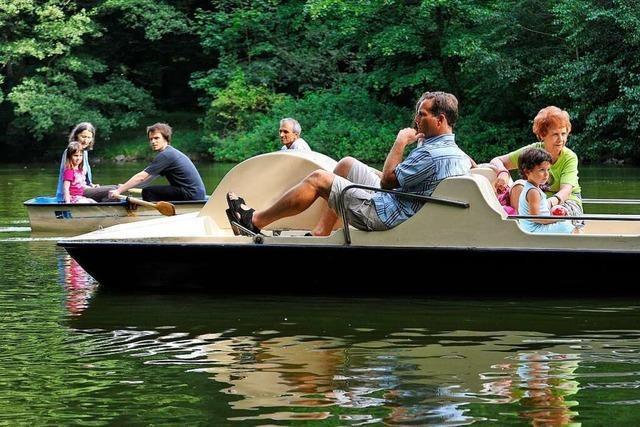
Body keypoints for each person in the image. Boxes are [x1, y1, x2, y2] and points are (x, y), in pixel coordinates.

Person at [226, 91, 472, 235]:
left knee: (318, 179)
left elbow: (387, 181)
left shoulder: (429, 154)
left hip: (387, 212)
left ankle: (253, 221)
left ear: (440, 120)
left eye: (422, 114)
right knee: (346, 164)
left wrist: (400, 142)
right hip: (402, 199)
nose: (416, 119)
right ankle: (322, 233)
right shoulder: (455, 152)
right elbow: (415, 177)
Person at [490, 106, 582, 217]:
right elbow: (497, 160)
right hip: (537, 200)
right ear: (543, 135)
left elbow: (566, 191)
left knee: (556, 212)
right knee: (518, 186)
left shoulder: (569, 157)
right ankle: (521, 227)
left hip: (565, 201)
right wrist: (503, 172)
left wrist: (547, 204)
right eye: (555, 134)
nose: (561, 139)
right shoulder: (532, 152)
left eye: (563, 134)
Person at [108, 123, 206, 201]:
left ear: (166, 138)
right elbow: (148, 178)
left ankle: (149, 215)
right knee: (149, 190)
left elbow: (141, 177)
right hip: (196, 193)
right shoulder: (169, 153)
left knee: (148, 192)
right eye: (151, 139)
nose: (153, 142)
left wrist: (119, 191)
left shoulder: (166, 155)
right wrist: (125, 187)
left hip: (191, 194)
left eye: (156, 138)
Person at [517, 148, 575, 234]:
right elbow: (536, 218)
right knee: (566, 226)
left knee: (565, 222)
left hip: (537, 227)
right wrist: (556, 219)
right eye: (541, 170)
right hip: (533, 230)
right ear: (527, 171)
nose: (546, 174)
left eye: (548, 169)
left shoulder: (532, 187)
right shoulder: (533, 191)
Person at [55, 122, 118, 202]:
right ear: (76, 136)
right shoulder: (69, 152)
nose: (86, 141)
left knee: (117, 188)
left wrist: (92, 185)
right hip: (75, 193)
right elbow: (69, 179)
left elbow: (81, 177)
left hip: (83, 188)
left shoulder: (84, 153)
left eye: (89, 137)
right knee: (112, 190)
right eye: (83, 137)